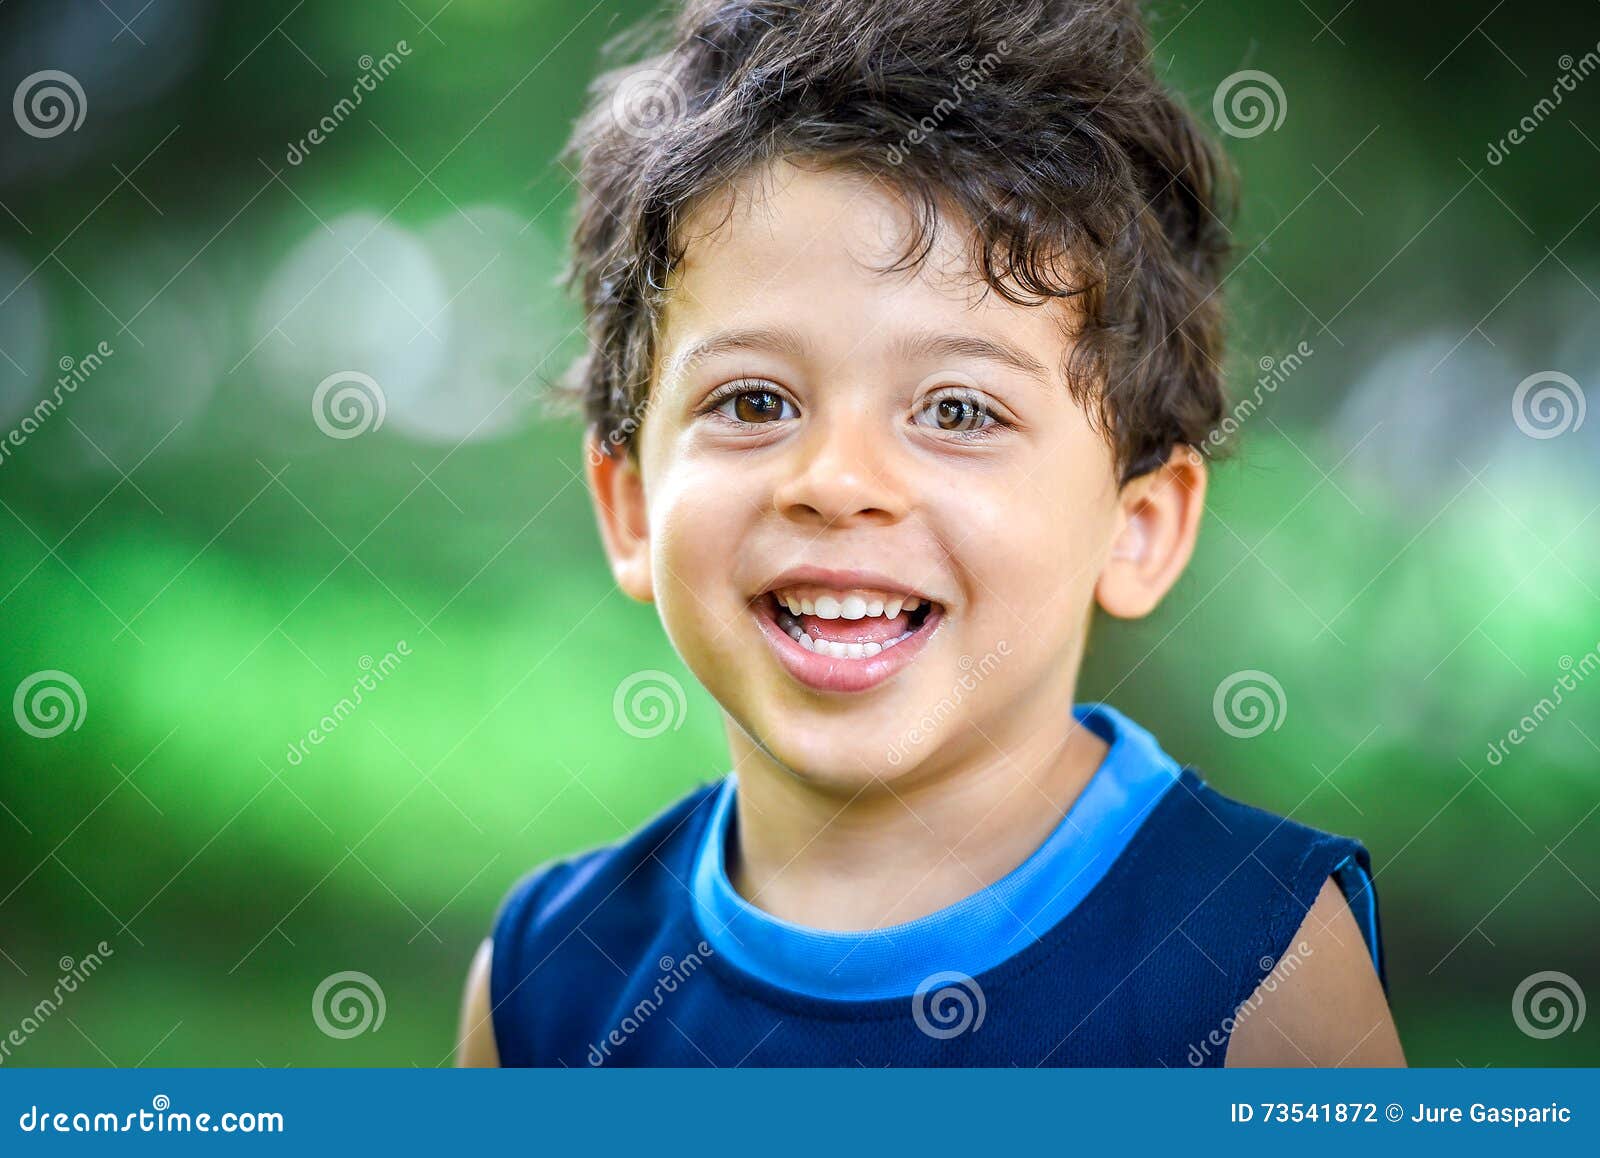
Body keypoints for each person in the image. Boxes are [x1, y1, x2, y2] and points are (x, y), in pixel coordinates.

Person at [457, 0, 1403, 1067]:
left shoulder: (1258, 957)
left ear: (1135, 529)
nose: (837, 482)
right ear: (629, 505)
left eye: (957, 411)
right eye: (755, 402)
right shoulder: (547, 977)